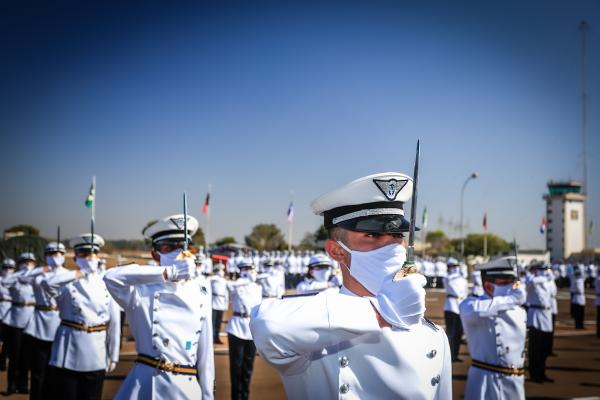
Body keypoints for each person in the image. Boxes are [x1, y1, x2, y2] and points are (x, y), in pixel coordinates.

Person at [251, 172, 451, 399]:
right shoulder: (312, 333)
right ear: (337, 251)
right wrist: (381, 312)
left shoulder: (434, 337)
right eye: (373, 235)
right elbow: (268, 326)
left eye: (397, 234)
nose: (393, 245)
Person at [104, 214, 215, 400]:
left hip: (185, 388)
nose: (177, 252)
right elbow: (111, 277)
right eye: (168, 247)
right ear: (155, 253)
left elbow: (206, 352)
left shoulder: (202, 287)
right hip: (146, 385)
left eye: (183, 246)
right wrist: (168, 272)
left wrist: (208, 394)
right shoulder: (139, 289)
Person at [41, 233, 121, 400]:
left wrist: (113, 354)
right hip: (69, 352)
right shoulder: (68, 282)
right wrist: (77, 273)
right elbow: (47, 284)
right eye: (84, 254)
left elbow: (114, 323)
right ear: (76, 258)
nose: (90, 258)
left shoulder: (106, 284)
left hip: (96, 351)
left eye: (93, 254)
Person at [459, 257, 527, 399]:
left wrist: (513, 300)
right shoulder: (472, 304)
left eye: (513, 283)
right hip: (485, 382)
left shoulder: (519, 309)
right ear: (489, 286)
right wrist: (512, 299)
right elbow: (477, 310)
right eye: (505, 283)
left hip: (515, 383)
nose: (511, 287)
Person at [21, 242, 67, 399]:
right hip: (40, 326)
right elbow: (20, 278)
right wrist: (41, 268)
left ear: (64, 255)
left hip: (61, 324)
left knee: (58, 372)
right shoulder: (38, 275)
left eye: (59, 254)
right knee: (38, 371)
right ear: (45, 256)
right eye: (51, 254)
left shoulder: (68, 274)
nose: (55, 257)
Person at [226, 260, 263, 400]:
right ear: (241, 271)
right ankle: (235, 397)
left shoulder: (257, 287)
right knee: (236, 367)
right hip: (236, 328)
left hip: (251, 329)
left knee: (248, 367)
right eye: (245, 269)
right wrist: (243, 280)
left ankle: (245, 396)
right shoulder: (236, 286)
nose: (248, 272)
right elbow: (228, 285)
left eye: (250, 269)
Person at [2, 252, 37, 394]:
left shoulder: (36, 279)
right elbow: (5, 282)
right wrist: (20, 273)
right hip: (16, 319)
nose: (27, 264)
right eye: (24, 262)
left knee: (27, 355)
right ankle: (11, 384)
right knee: (15, 355)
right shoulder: (14, 279)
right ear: (19, 264)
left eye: (30, 262)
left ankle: (23, 384)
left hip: (31, 320)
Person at [525, 262, 554, 383]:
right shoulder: (532, 280)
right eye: (542, 269)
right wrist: (537, 274)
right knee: (535, 347)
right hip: (536, 314)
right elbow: (530, 281)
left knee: (544, 347)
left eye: (545, 269)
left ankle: (542, 372)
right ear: (536, 270)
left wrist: (548, 277)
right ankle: (534, 373)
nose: (544, 271)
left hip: (546, 314)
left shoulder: (548, 282)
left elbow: (553, 293)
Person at [443, 257, 467, 362]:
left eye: (455, 266)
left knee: (459, 332)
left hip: (461, 306)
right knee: (451, 333)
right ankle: (449, 356)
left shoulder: (462, 279)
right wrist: (455, 272)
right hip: (451, 306)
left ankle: (455, 355)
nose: (453, 268)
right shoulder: (447, 278)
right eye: (451, 267)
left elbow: (465, 291)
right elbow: (449, 278)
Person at [0, 258, 16, 371]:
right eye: (5, 267)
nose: (7, 270)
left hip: (13, 311)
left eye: (10, 268)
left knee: (8, 340)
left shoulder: (18, 280)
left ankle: (4, 361)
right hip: (1, 310)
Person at [211, 263, 228, 345]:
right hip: (213, 302)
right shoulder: (212, 279)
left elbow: (226, 293)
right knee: (213, 322)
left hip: (221, 302)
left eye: (223, 270)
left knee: (218, 322)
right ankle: (212, 338)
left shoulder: (224, 281)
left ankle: (216, 337)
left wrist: (226, 304)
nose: (222, 272)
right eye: (221, 270)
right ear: (217, 271)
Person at [569, 265, 586, 329]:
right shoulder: (577, 280)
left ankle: (580, 325)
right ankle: (578, 325)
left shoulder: (578, 280)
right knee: (579, 312)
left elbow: (584, 276)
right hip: (578, 297)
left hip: (579, 297)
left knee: (580, 312)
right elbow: (580, 290)